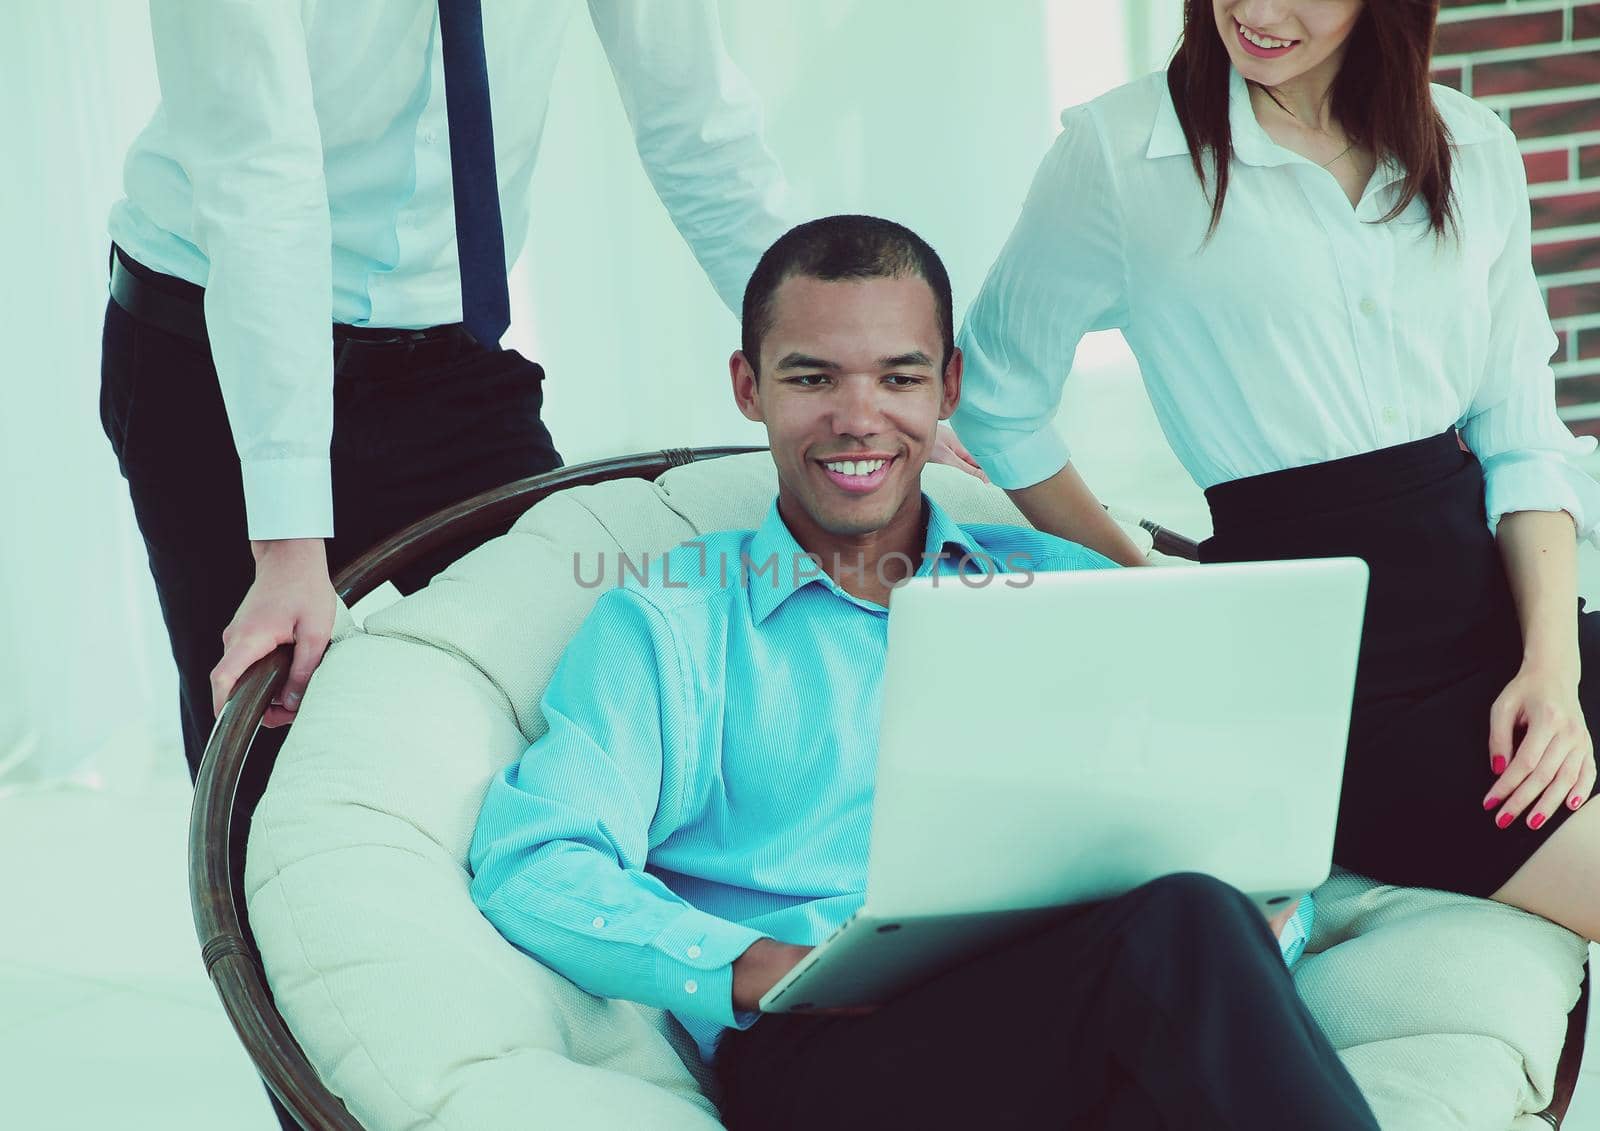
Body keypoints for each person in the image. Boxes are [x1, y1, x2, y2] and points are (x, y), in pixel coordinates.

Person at [468, 214, 1381, 1130]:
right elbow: (533, 857)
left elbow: (1228, 825)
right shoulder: (673, 625)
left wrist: (1271, 919)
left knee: (1186, 946)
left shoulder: (1073, 590)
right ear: (750, 387)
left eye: (899, 377)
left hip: (1089, 998)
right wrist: (759, 965)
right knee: (1182, 935)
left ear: (948, 386)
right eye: (812, 377)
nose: (857, 419)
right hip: (829, 1049)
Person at [944, 0, 1600, 941]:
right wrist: (1141, 580)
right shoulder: (1120, 157)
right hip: (1336, 695)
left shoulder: (1470, 144)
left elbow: (1523, 436)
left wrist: (1553, 669)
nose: (1255, 11)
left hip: (1504, 628)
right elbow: (998, 394)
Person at [100, 0, 793, 783]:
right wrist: (287, 541)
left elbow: (694, 119)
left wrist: (840, 378)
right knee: (267, 776)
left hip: (447, 353)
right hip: (216, 346)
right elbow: (259, 184)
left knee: (572, 711)